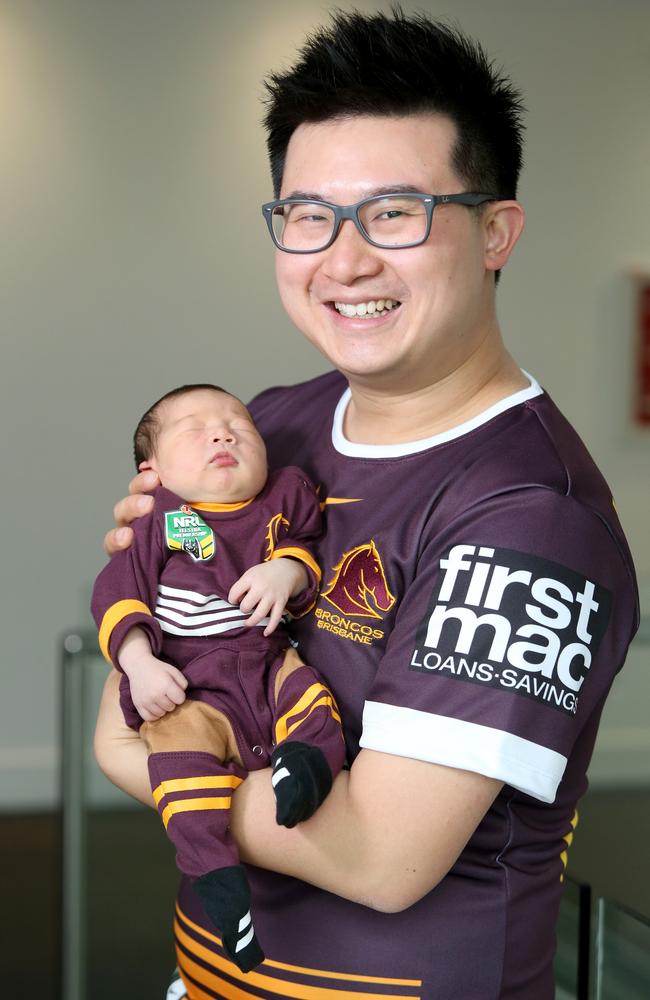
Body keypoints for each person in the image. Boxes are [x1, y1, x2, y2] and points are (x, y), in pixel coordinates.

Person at [96, 9, 639, 999]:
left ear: (494, 233)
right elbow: (148, 655)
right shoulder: (267, 425)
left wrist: (163, 774)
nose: (341, 261)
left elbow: (381, 858)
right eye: (307, 215)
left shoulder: (529, 517)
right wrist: (154, 587)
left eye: (393, 212)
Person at [91, 383, 345, 972]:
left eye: (239, 424)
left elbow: (305, 543)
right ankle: (220, 883)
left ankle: (303, 769)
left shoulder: (284, 493)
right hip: (188, 682)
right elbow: (118, 592)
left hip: (263, 657)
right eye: (194, 428)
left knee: (310, 699)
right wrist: (138, 663)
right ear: (152, 471)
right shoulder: (160, 517)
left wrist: (286, 569)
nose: (223, 432)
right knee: (179, 763)